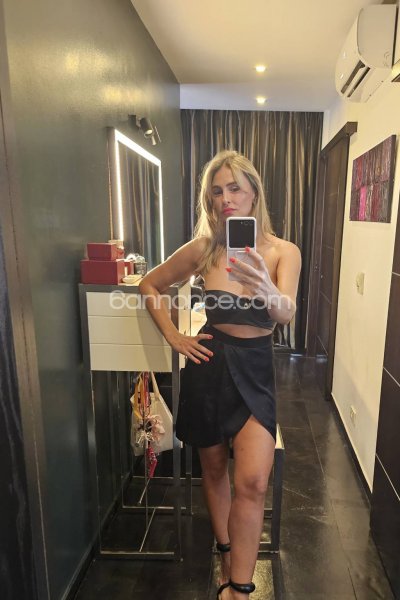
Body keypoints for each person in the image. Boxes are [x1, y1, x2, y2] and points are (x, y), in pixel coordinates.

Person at [139, 150, 301, 599]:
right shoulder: (204, 249)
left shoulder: (283, 251)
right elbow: (150, 284)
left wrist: (266, 287)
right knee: (212, 471)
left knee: (253, 481)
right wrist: (174, 336)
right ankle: (227, 555)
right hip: (209, 366)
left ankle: (240, 590)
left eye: (234, 188)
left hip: (255, 369)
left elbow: (285, 313)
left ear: (253, 194)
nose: (225, 199)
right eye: (216, 191)